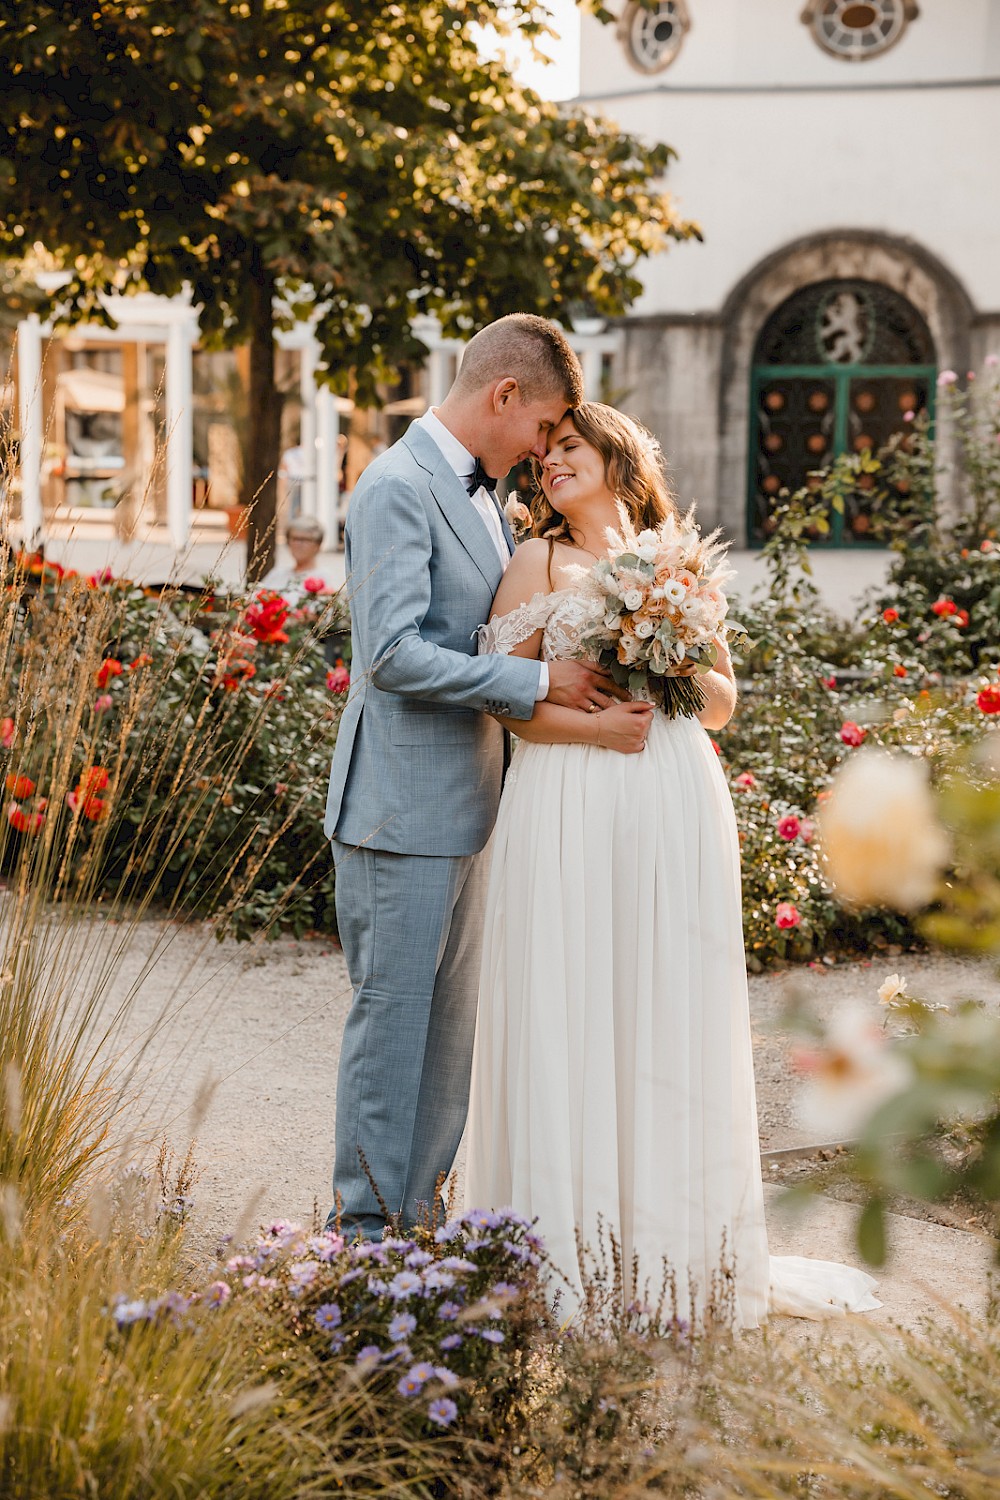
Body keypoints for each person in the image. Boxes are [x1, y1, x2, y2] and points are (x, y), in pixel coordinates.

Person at [465, 403, 881, 1326]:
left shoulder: (677, 558)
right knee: (570, 992)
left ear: (617, 456)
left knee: (665, 999)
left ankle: (672, 1253)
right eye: (542, 458)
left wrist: (664, 640)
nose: (550, 467)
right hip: (570, 792)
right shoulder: (535, 562)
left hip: (672, 798)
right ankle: (562, 1252)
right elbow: (508, 702)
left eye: (568, 449)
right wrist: (599, 724)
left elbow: (723, 701)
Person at [323, 316, 645, 1239]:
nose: (547, 451)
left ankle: (414, 1235)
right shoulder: (395, 486)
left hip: (473, 808)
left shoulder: (487, 501)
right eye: (546, 428)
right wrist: (541, 679)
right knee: (392, 1033)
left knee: (446, 1046)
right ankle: (362, 1247)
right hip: (399, 811)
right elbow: (391, 656)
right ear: (505, 397)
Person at [259, 517, 329, 601]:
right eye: (295, 539)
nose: (298, 544)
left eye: (304, 540)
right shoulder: (276, 574)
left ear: (317, 545)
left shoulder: (323, 579)